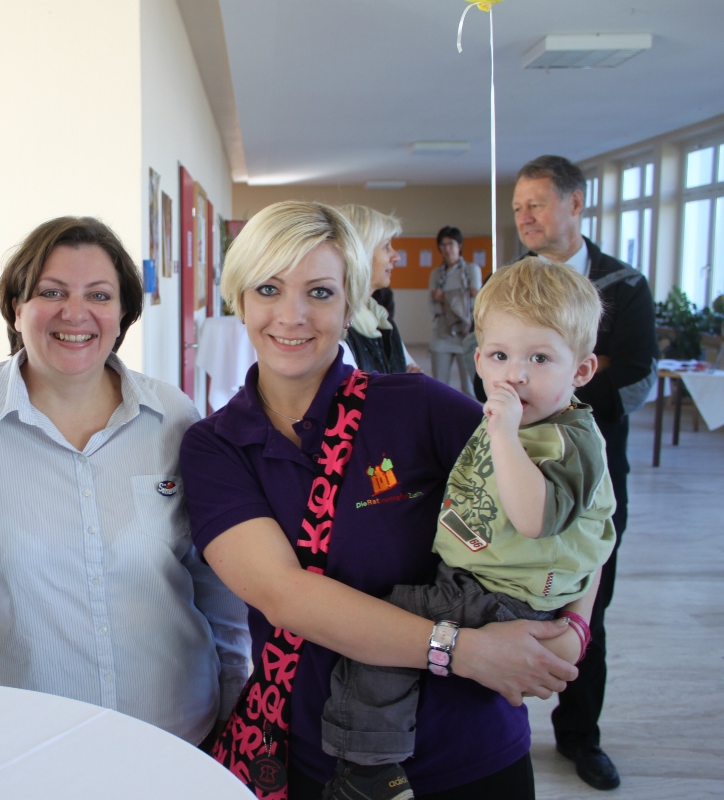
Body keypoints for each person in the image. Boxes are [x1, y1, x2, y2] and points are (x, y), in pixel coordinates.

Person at [179, 201, 583, 799]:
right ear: (239, 298)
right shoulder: (216, 446)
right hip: (325, 760)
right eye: (268, 288)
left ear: (350, 305)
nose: (292, 315)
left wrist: (575, 627)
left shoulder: (418, 407)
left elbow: (574, 506)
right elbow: (285, 595)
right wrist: (463, 651)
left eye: (320, 292)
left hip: (470, 747)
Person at [0, 216, 250, 744]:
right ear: (16, 309)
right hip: (19, 736)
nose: (75, 312)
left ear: (122, 313)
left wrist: (235, 692)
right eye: (52, 292)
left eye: (99, 295)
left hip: (172, 730)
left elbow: (212, 574)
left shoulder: (172, 414)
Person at [318, 258, 614, 799]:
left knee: (382, 629)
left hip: (506, 597)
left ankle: (366, 766)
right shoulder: (521, 420)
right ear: (478, 359)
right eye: (500, 356)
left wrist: (503, 435)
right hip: (486, 581)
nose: (515, 375)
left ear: (581, 370)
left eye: (540, 358)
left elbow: (534, 517)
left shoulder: (566, 439)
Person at [511, 154, 660, 791]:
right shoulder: (510, 284)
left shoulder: (623, 286)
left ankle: (580, 737)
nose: (525, 217)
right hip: (512, 467)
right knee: (498, 600)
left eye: (536, 204)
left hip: (595, 473)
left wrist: (548, 395)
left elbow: (635, 376)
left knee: (585, 606)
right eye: (518, 208)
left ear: (575, 203)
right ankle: (498, 734)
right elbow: (490, 369)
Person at [336, 205, 420, 375]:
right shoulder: (336, 328)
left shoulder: (380, 318)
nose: (397, 257)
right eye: (386, 246)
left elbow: (412, 372)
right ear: (361, 253)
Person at [428, 227, 480, 395]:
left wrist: (445, 297)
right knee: (439, 387)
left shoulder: (471, 270)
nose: (447, 248)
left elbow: (474, 304)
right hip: (442, 333)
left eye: (451, 243)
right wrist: (462, 296)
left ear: (460, 245)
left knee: (469, 389)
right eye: (443, 244)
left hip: (465, 334)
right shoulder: (437, 274)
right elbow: (433, 306)